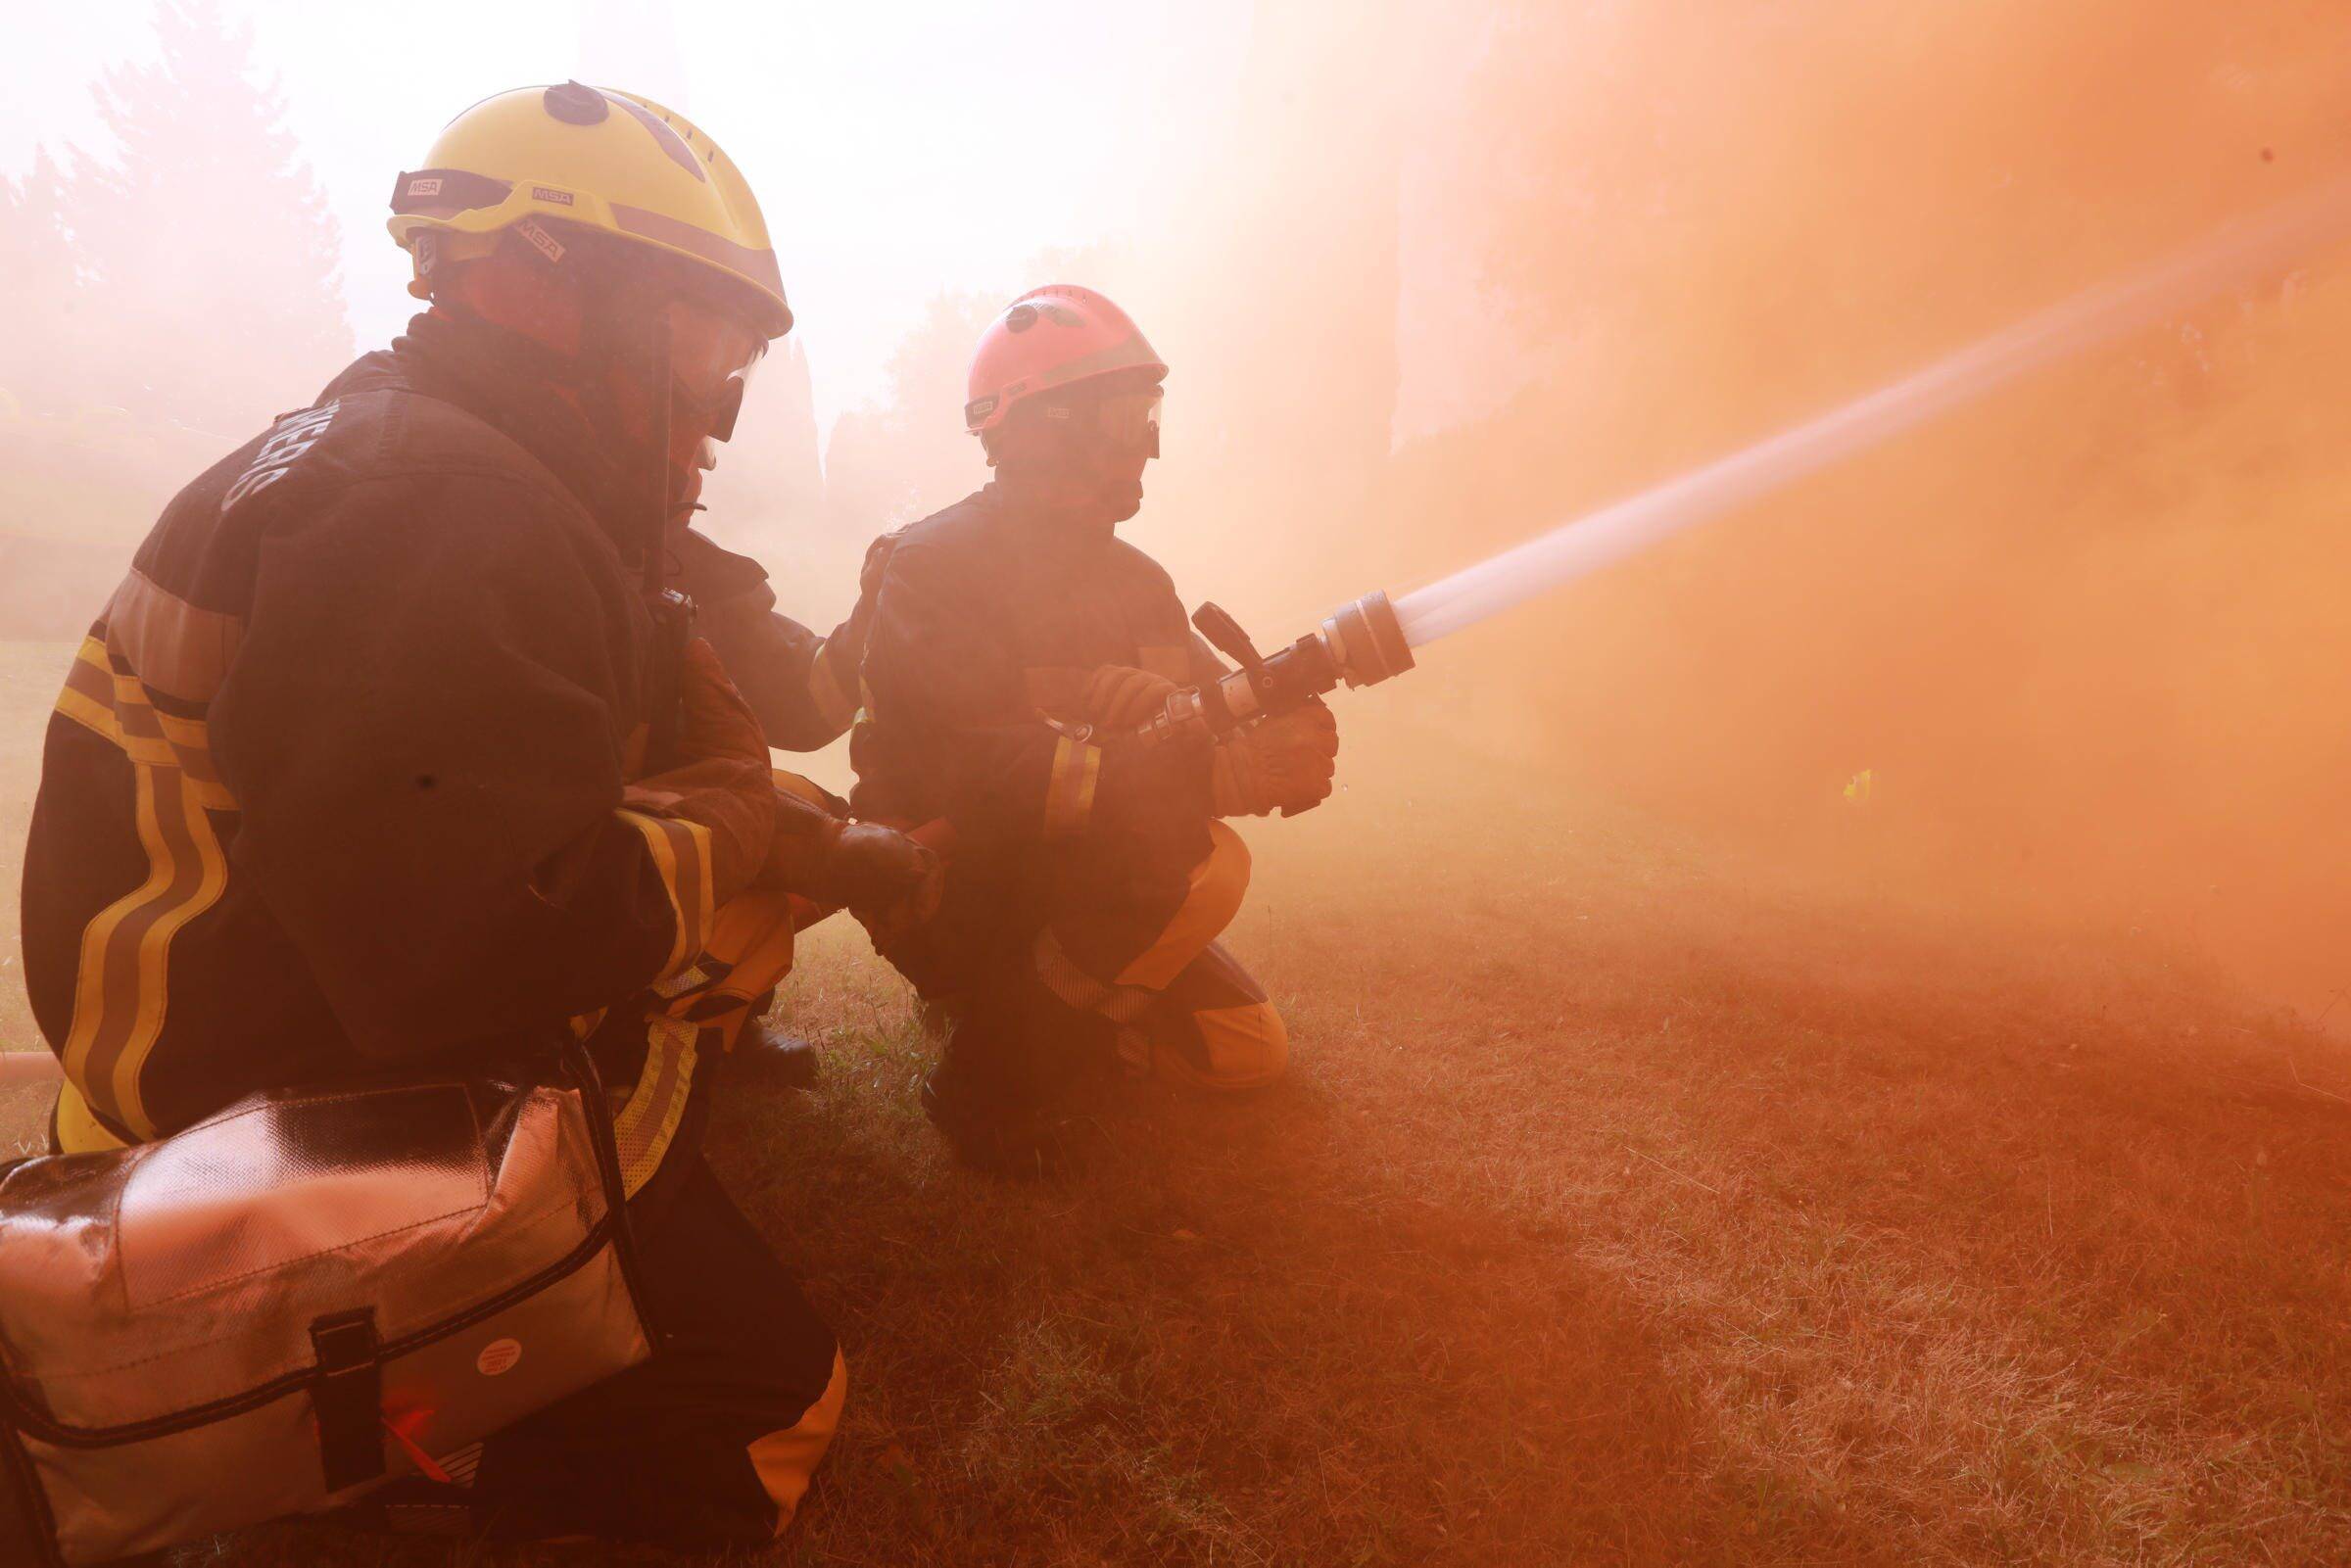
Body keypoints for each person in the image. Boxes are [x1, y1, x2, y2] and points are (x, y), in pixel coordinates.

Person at [16, 82, 936, 1547]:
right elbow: (471, 954)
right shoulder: (437, 500)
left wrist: (765, 816)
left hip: (246, 1049)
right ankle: (368, 1481)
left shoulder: (420, 459)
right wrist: (735, 826)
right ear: (541, 285)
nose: (717, 401)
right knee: (766, 1398)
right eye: (704, 341)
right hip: (256, 1135)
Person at [848, 285, 1342, 1174]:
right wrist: (1201, 771)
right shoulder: (935, 565)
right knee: (1203, 862)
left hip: (1096, 870)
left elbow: (1216, 701)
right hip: (957, 881)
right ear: (1039, 428)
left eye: (1147, 411)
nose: (1144, 439)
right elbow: (974, 773)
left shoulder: (1140, 581)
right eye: (1122, 414)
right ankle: (986, 1082)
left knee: (1242, 1049)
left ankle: (1049, 1010)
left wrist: (1285, 733)